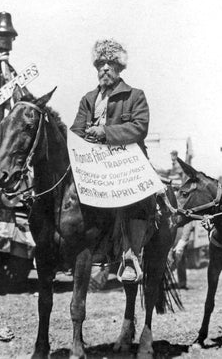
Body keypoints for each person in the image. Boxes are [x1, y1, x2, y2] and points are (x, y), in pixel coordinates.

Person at [70, 39, 152, 283]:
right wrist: (80, 139)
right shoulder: (88, 98)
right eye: (100, 64)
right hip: (93, 159)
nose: (104, 68)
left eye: (110, 64)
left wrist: (105, 132)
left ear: (119, 68)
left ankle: (130, 256)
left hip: (125, 160)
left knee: (136, 198)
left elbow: (139, 128)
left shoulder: (135, 96)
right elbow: (75, 129)